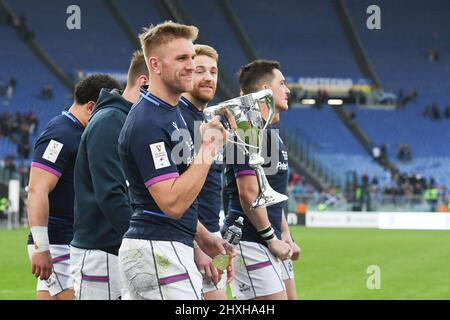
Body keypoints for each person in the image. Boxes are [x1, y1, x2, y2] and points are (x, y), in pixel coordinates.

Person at [117, 21, 233, 300]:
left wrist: (203, 236)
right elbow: (172, 203)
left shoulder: (171, 113)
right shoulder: (148, 121)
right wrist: (208, 149)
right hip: (158, 250)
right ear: (154, 66)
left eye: (192, 56)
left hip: (165, 246)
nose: (191, 65)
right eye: (182, 58)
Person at [26, 74, 122, 300]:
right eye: (108, 110)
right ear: (91, 107)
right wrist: (41, 247)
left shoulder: (82, 132)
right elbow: (36, 189)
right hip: (58, 242)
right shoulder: (61, 134)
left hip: (68, 240)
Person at [70, 51, 149, 300]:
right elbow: (111, 195)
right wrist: (143, 245)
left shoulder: (131, 121)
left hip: (121, 248)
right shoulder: (111, 121)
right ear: (145, 82)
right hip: (104, 251)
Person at [223, 59, 300, 300]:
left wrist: (285, 235)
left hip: (269, 238)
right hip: (249, 239)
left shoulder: (270, 134)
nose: (288, 90)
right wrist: (271, 238)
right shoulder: (244, 128)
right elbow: (248, 193)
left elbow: (272, 192)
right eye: (282, 83)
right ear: (264, 90)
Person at [178, 44, 227, 300]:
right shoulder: (177, 120)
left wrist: (217, 240)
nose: (209, 77)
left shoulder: (207, 123)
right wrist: (199, 243)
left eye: (213, 71)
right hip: (189, 242)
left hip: (209, 238)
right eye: (200, 71)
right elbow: (171, 193)